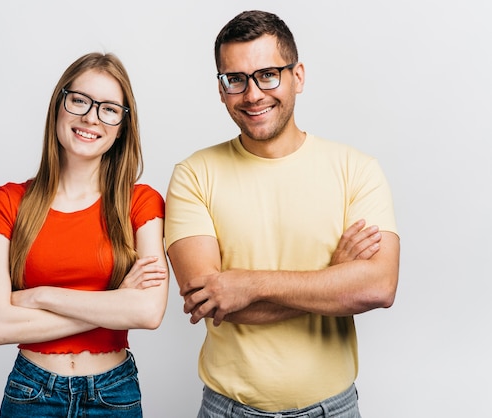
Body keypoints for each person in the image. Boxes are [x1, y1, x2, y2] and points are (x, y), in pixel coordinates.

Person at [164, 10, 400, 418]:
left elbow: (378, 287)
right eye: (235, 79)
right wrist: (334, 277)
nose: (253, 94)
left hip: (334, 409)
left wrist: (249, 284)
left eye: (268, 74)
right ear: (221, 90)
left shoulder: (356, 169)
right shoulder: (193, 175)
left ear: (298, 76)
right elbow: (212, 301)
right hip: (228, 409)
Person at [0, 52, 168, 418]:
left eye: (109, 109)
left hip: (115, 394)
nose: (91, 117)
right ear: (58, 106)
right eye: (79, 100)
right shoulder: (6, 203)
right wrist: (115, 303)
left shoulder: (141, 202)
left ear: (123, 126)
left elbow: (147, 311)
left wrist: (39, 297)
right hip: (31, 392)